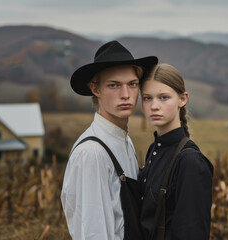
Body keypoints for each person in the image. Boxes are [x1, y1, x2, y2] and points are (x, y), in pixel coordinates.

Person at [61, 40, 158, 240]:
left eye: (132, 84)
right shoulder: (92, 153)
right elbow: (93, 233)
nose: (126, 95)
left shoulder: (125, 141)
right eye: (113, 85)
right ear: (95, 89)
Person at [139, 63, 213, 240]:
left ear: (182, 99)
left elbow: (192, 233)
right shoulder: (154, 149)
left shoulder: (190, 162)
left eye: (163, 97)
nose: (154, 106)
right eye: (147, 98)